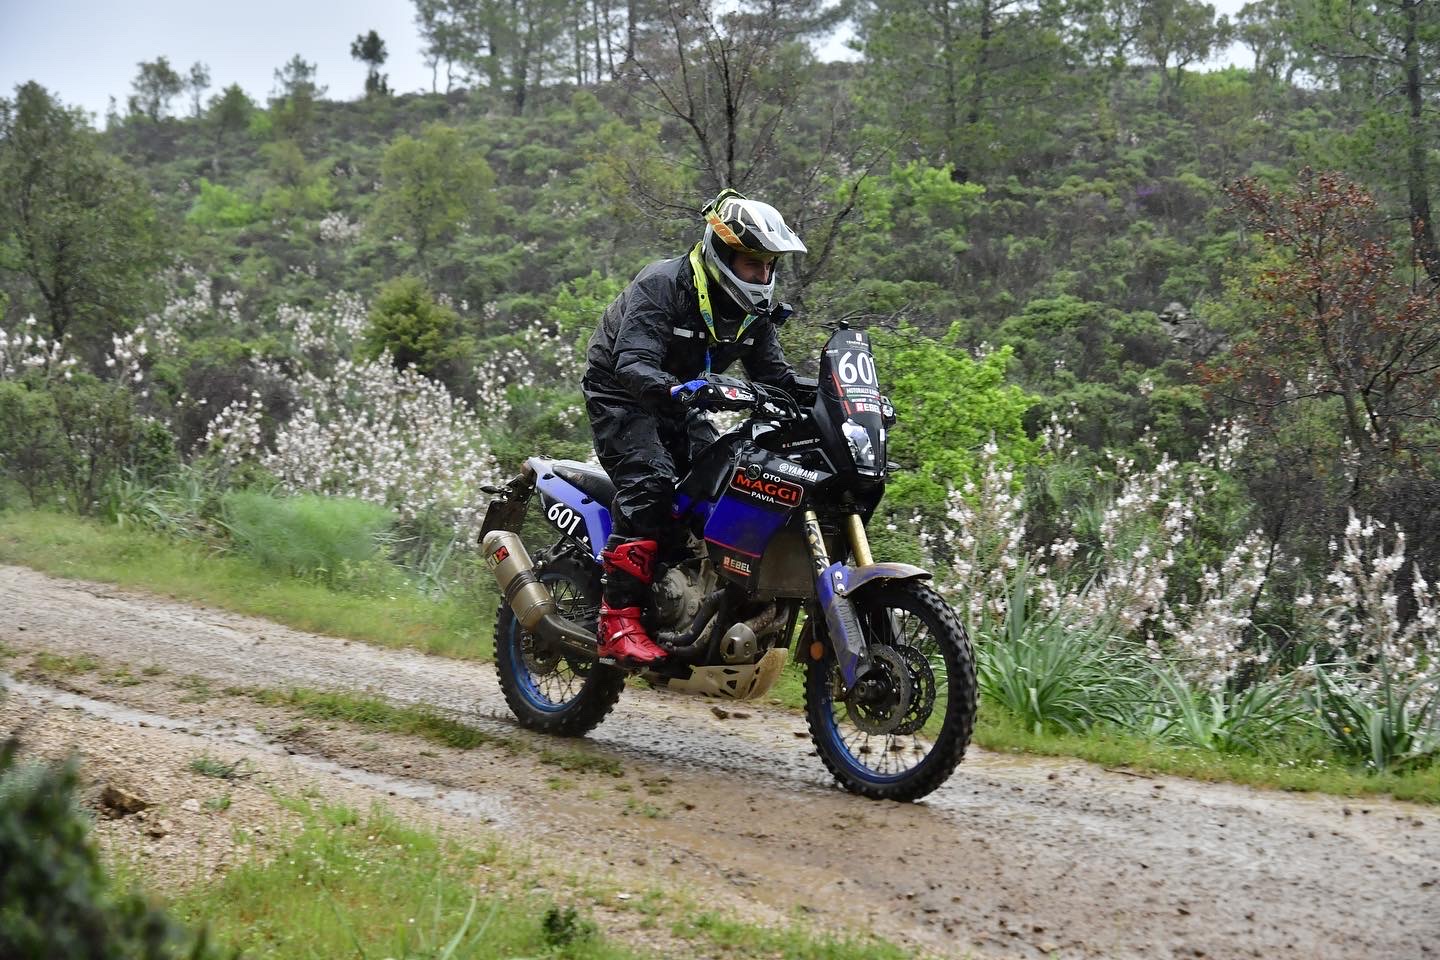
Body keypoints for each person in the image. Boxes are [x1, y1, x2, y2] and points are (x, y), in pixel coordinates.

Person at [582, 190, 807, 666]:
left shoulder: (753, 314)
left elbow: (778, 380)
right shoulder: (663, 285)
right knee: (651, 481)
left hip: (682, 400)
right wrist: (679, 390)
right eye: (752, 263)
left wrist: (839, 400)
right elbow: (631, 363)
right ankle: (616, 619)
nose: (762, 276)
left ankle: (687, 600)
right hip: (621, 392)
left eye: (769, 266)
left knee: (720, 485)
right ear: (721, 253)